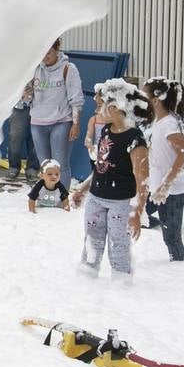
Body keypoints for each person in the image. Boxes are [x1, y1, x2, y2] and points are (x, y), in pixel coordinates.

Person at [70, 79, 150, 281]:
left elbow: (143, 179)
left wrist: (137, 211)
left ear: (114, 107)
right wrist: (84, 188)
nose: (97, 111)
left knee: (118, 244)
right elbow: (100, 165)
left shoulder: (135, 140)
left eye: (100, 106)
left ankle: (121, 282)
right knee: (92, 241)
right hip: (96, 199)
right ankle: (86, 280)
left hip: (120, 203)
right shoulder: (106, 130)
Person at [142, 76, 184, 262]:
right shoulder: (160, 122)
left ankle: (178, 266)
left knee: (171, 238)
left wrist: (166, 185)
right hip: (157, 187)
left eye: (143, 95)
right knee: (138, 214)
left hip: (172, 191)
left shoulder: (170, 124)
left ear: (155, 100)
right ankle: (169, 225)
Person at [29, 38, 84, 180]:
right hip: (38, 122)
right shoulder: (34, 69)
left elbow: (76, 98)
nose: (45, 57)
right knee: (45, 166)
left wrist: (76, 124)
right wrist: (25, 95)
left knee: (60, 165)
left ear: (57, 50)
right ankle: (49, 199)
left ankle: (62, 200)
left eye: (48, 53)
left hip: (61, 121)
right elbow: (28, 98)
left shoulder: (68, 68)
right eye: (42, 53)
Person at [5, 80, 39, 182]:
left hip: (40, 107)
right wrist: (19, 94)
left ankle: (32, 169)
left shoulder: (44, 67)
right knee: (15, 135)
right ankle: (14, 167)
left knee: (37, 138)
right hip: (19, 106)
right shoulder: (15, 66)